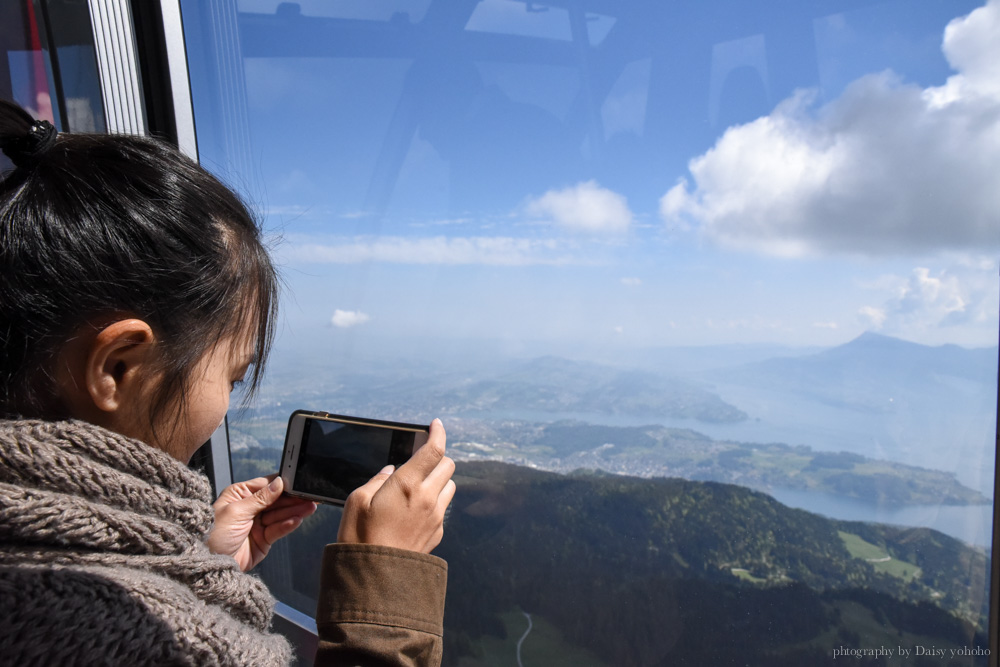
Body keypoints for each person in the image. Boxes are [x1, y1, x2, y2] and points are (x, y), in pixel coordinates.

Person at [0, 98, 456, 666]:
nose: (226, 404)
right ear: (118, 366)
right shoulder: (149, 637)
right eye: (233, 377)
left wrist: (199, 563)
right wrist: (383, 587)